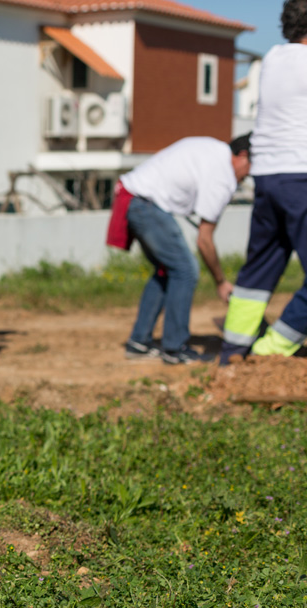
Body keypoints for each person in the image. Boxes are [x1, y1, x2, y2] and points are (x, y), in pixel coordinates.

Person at [106, 134, 251, 364]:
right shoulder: (222, 176)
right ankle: (174, 348)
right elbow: (204, 240)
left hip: (136, 198)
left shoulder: (214, 150)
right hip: (145, 203)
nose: (247, 177)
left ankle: (138, 342)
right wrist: (221, 282)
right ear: (242, 156)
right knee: (185, 270)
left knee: (167, 271)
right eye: (250, 169)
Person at [220, 0, 307, 365]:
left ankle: (232, 353)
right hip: (301, 177)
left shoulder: (272, 59)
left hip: (268, 178)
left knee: (258, 271)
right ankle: (270, 352)